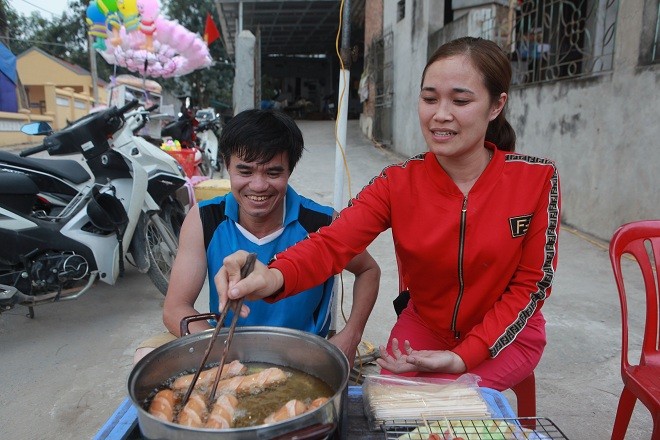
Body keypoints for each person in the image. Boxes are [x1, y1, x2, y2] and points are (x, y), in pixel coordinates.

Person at [215, 37, 561, 391]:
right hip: (425, 326)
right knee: (386, 405)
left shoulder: (536, 180)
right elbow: (333, 243)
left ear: (495, 105)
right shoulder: (397, 183)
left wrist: (464, 356)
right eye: (429, 99)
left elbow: (531, 286)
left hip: (507, 332)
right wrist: (273, 276)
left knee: (448, 403)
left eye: (460, 100)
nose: (440, 114)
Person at [154, 108, 380, 366]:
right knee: (146, 356)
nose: (258, 186)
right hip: (228, 354)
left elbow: (368, 270)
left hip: (302, 358)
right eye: (245, 171)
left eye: (273, 173)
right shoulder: (204, 218)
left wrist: (351, 335)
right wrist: (220, 348)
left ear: (289, 171)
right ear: (226, 165)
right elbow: (175, 308)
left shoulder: (321, 223)